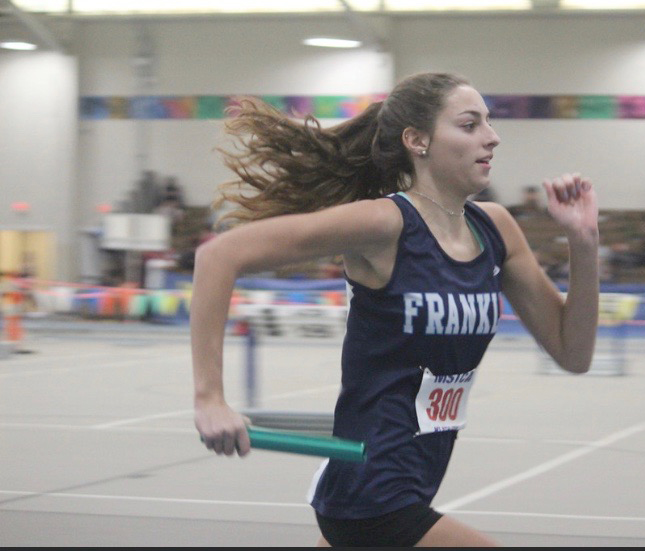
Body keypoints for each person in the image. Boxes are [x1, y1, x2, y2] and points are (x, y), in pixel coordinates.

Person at [190, 72, 599, 547]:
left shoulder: (496, 230)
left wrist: (584, 243)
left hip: (413, 482)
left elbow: (574, 352)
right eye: (470, 125)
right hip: (373, 490)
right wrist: (210, 398)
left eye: (489, 122)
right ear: (417, 141)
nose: (492, 136)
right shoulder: (384, 223)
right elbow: (218, 256)